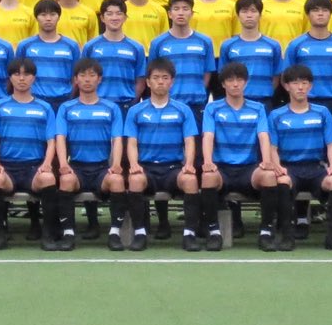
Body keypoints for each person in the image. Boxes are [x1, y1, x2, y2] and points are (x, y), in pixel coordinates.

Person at [120, 58, 200, 252]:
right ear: (148, 82)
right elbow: (132, 142)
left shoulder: (183, 110)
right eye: (156, 78)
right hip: (147, 168)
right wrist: (134, 164)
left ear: (172, 82)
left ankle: (189, 235)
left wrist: (189, 164)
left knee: (190, 180)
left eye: (165, 78)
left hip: (173, 168)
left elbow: (190, 141)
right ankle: (140, 234)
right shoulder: (136, 111)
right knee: (135, 180)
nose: (160, 82)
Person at [0, 58, 59, 250]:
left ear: (34, 78)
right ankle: (0, 235)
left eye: (26, 74)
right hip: (7, 167)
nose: (22, 78)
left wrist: (47, 163)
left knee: (48, 178)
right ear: (10, 78)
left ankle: (48, 235)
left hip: (34, 167)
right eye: (17, 74)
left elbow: (52, 141)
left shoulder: (44, 107)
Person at [267, 65, 332, 250]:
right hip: (289, 167)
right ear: (286, 86)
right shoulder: (276, 115)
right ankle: (286, 236)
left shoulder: (322, 112)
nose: (300, 87)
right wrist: (277, 166)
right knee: (283, 181)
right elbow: (272, 147)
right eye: (295, 83)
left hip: (316, 167)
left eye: (304, 83)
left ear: (310, 86)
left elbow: (331, 144)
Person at [199, 62, 275, 251]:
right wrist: (208, 161)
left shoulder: (258, 108)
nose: (235, 84)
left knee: (269, 176)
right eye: (230, 80)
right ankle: (214, 232)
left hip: (248, 169)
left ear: (246, 83)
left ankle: (266, 232)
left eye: (239, 80)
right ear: (223, 84)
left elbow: (263, 136)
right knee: (208, 177)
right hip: (222, 168)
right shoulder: (212, 108)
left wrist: (267, 161)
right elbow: (208, 136)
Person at [53, 59, 124, 248]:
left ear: (99, 79)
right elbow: (60, 138)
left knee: (117, 181)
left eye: (92, 75)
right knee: (66, 180)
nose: (87, 79)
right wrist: (63, 164)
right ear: (75, 79)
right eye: (82, 75)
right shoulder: (66, 108)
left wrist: (116, 164)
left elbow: (117, 139)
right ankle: (68, 234)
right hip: (77, 167)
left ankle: (114, 234)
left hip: (101, 168)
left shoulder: (111, 108)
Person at [281, 0, 332, 118]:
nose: (320, 14)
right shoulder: (296, 45)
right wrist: (298, 97)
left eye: (325, 10)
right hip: (306, 101)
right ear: (308, 15)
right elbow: (286, 76)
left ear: (330, 14)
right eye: (315, 10)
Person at [150, 0, 216, 110]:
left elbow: (207, 72)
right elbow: (152, 73)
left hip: (196, 104)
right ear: (170, 14)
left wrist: (198, 91)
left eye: (185, 9)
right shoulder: (158, 43)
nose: (181, 13)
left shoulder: (205, 41)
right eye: (176, 9)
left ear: (192, 13)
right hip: (168, 104)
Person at [218, 0, 284, 103]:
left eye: (253, 11)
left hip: (265, 101)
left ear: (260, 15)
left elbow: (276, 75)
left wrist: (267, 92)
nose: (249, 15)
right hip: (237, 102)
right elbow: (224, 74)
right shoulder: (228, 46)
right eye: (244, 11)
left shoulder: (273, 45)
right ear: (238, 15)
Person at [82, 0, 148, 106]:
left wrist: (131, 103)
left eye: (119, 13)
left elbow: (140, 80)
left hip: (126, 104)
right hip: (97, 105)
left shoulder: (137, 48)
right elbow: (83, 77)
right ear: (102, 18)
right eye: (109, 14)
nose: (114, 18)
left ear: (125, 17)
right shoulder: (90, 47)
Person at [17, 0, 82, 107]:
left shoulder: (71, 46)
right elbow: (18, 75)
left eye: (52, 14)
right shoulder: (25, 46)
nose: (48, 19)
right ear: (36, 18)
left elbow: (76, 77)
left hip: (64, 102)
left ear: (59, 17)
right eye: (43, 15)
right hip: (34, 101)